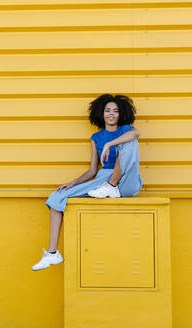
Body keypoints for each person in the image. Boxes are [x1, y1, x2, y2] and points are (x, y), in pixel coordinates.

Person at [31, 94, 143, 271]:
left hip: (127, 180)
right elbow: (92, 170)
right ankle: (52, 253)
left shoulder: (127, 130)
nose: (111, 114)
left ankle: (112, 186)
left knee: (128, 142)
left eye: (116, 110)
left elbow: (136, 134)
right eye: (107, 110)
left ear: (121, 114)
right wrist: (73, 183)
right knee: (56, 197)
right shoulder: (96, 138)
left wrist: (110, 144)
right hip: (102, 179)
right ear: (101, 113)